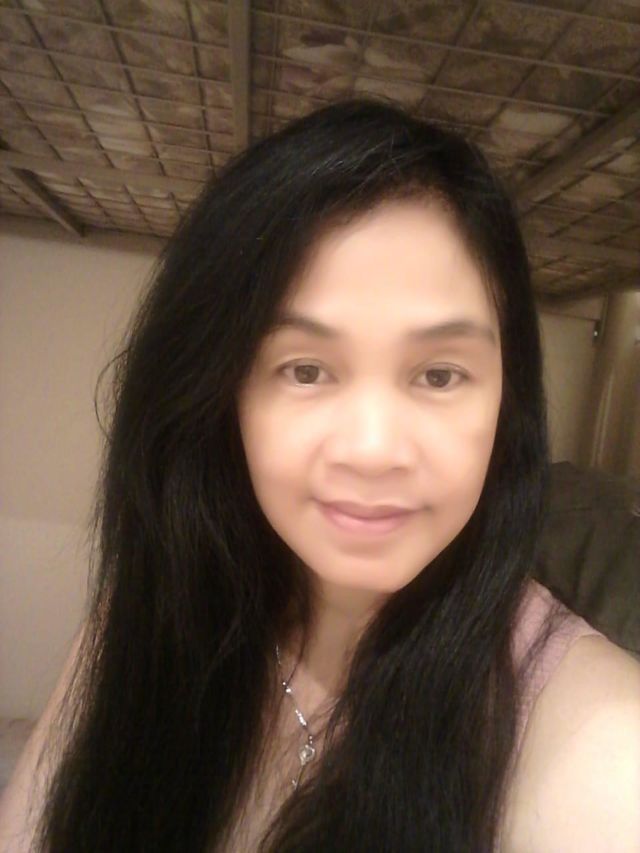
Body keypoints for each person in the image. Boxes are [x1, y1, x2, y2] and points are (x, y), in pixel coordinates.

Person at [0, 97, 638, 853]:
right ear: (221, 394)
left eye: (439, 374)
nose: (372, 449)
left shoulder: (603, 751)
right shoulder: (145, 617)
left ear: (509, 399)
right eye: (305, 369)